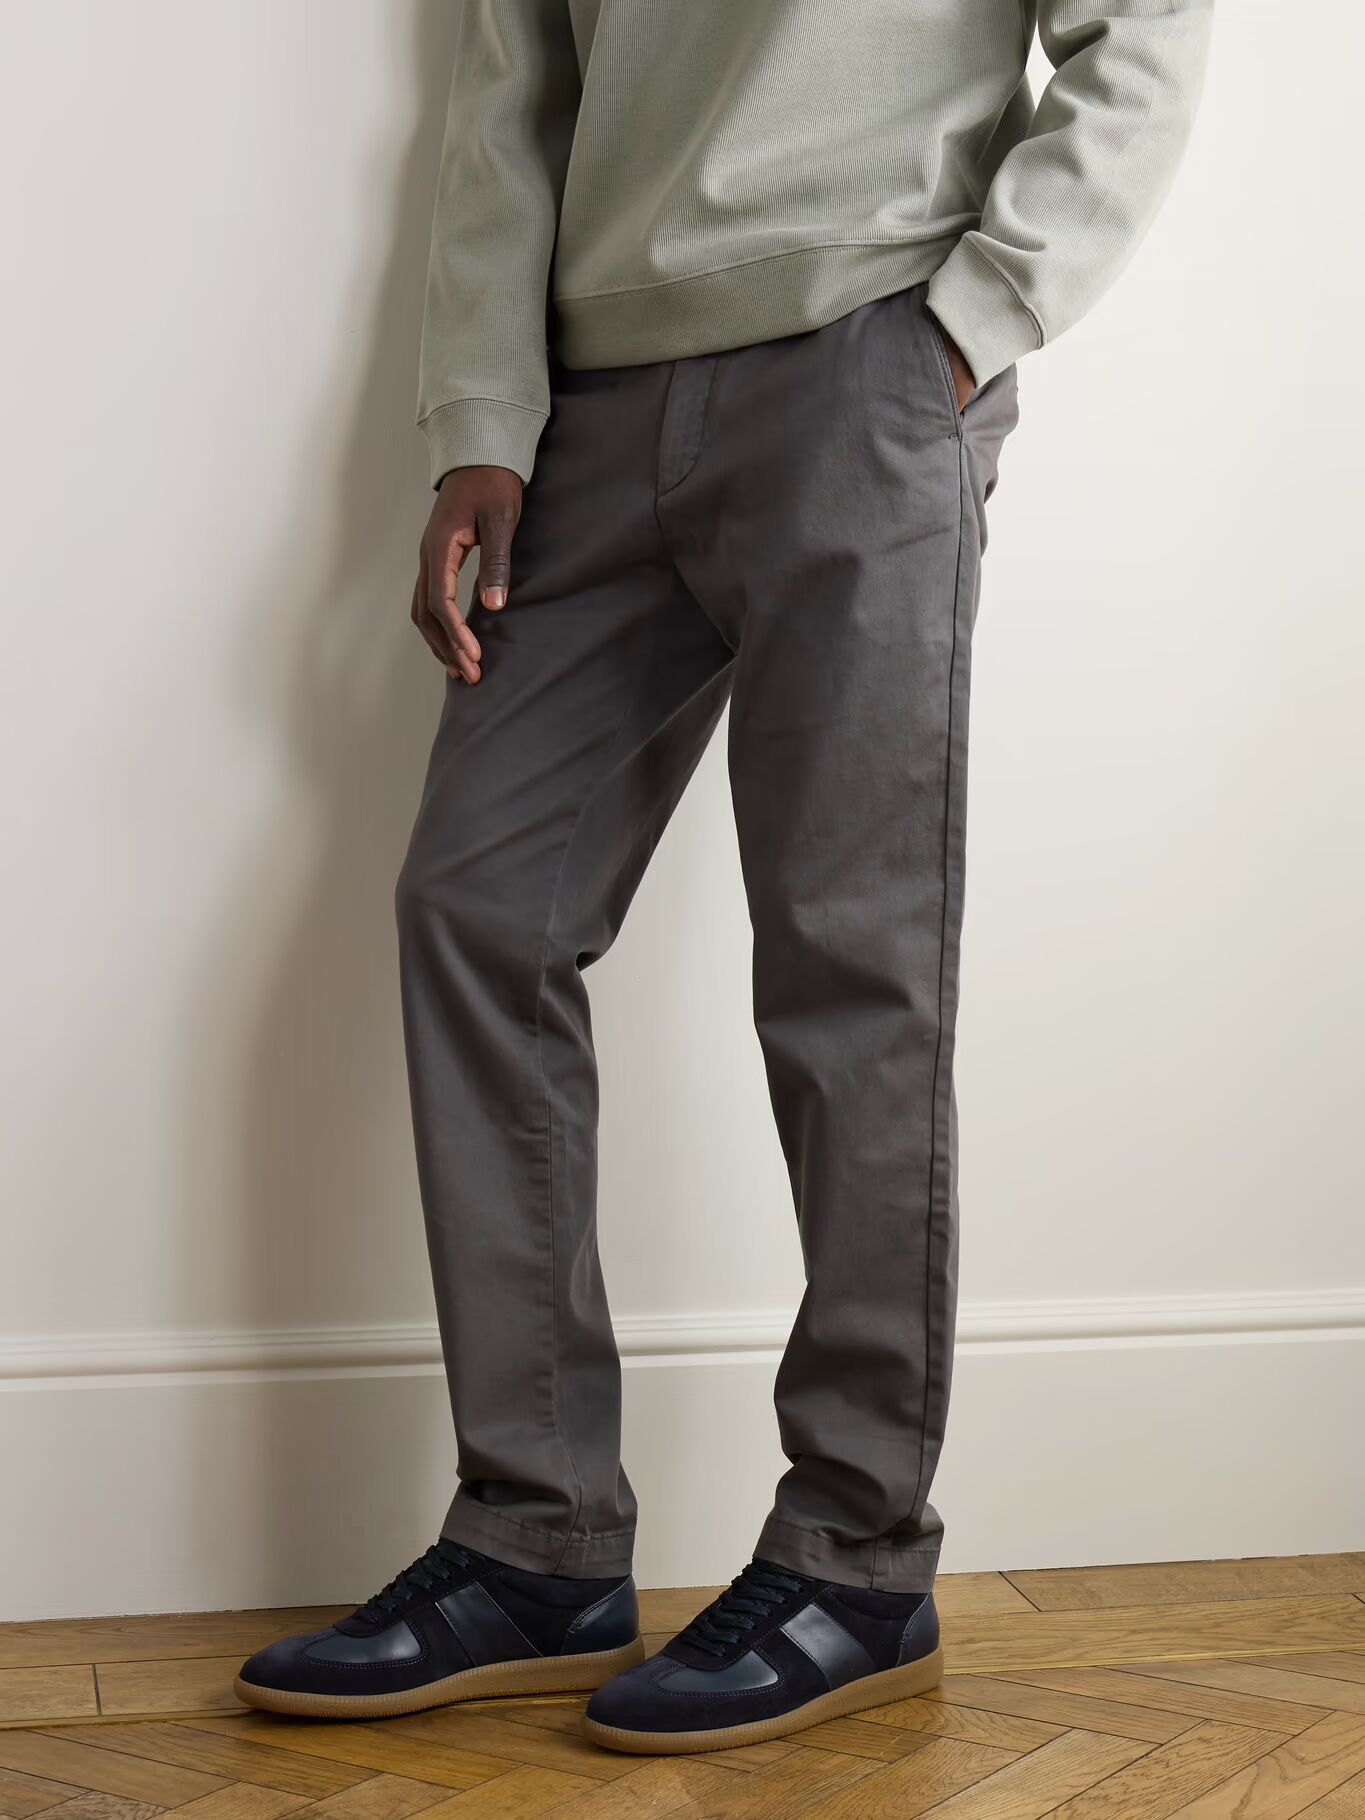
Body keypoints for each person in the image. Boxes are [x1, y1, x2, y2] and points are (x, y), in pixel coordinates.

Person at [237, 0, 1212, 1752]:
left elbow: (1140, 28)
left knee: (848, 962)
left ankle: (856, 1551)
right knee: (475, 910)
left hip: (866, 352)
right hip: (585, 412)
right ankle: (535, 1539)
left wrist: (976, 319)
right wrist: (482, 414)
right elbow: (513, 86)